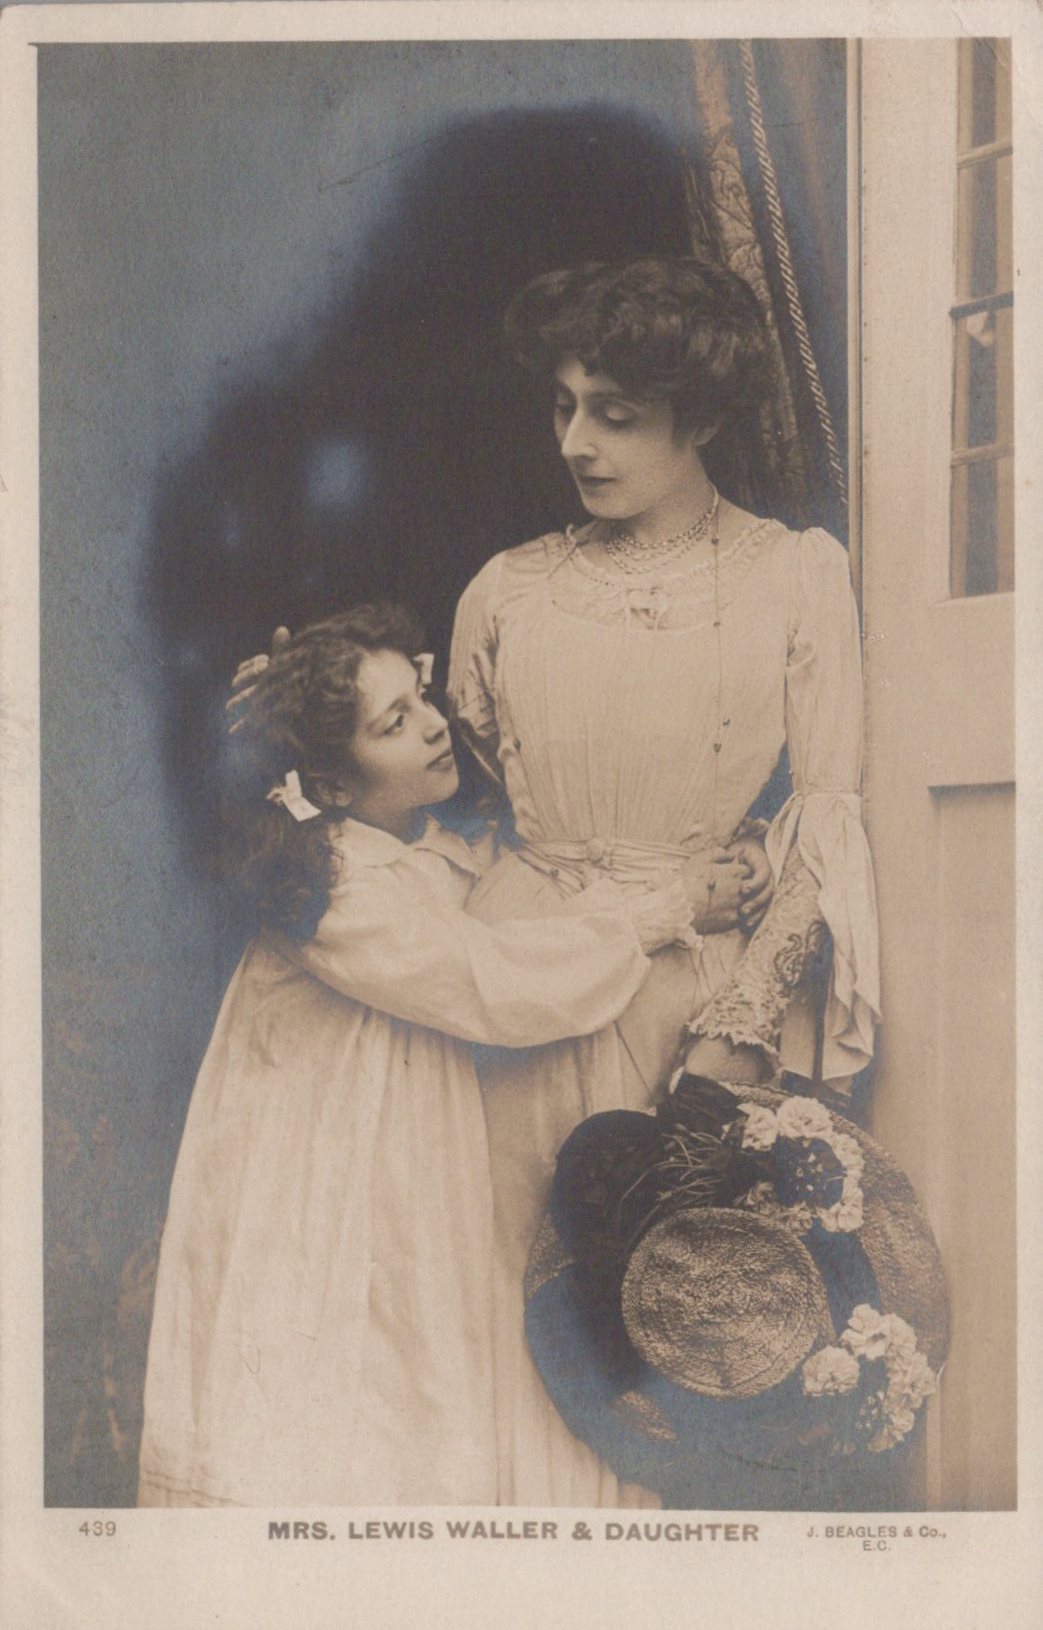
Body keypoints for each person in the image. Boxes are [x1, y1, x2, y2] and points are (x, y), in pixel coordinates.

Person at [137, 601, 740, 1508]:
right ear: (333, 787)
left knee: (413, 1347)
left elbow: (461, 881)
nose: (429, 723)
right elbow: (488, 980)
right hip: (328, 1168)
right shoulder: (332, 888)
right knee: (356, 1357)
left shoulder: (404, 852)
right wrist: (660, 911)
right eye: (392, 723)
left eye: (419, 695)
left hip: (402, 1144)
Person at [447, 255, 880, 1506]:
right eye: (562, 407)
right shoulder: (504, 590)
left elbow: (826, 815)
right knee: (500, 1289)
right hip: (519, 979)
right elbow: (490, 775)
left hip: (684, 1001)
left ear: (699, 418)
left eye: (616, 415)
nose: (577, 442)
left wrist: (744, 1018)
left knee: (653, 1306)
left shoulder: (792, 574)